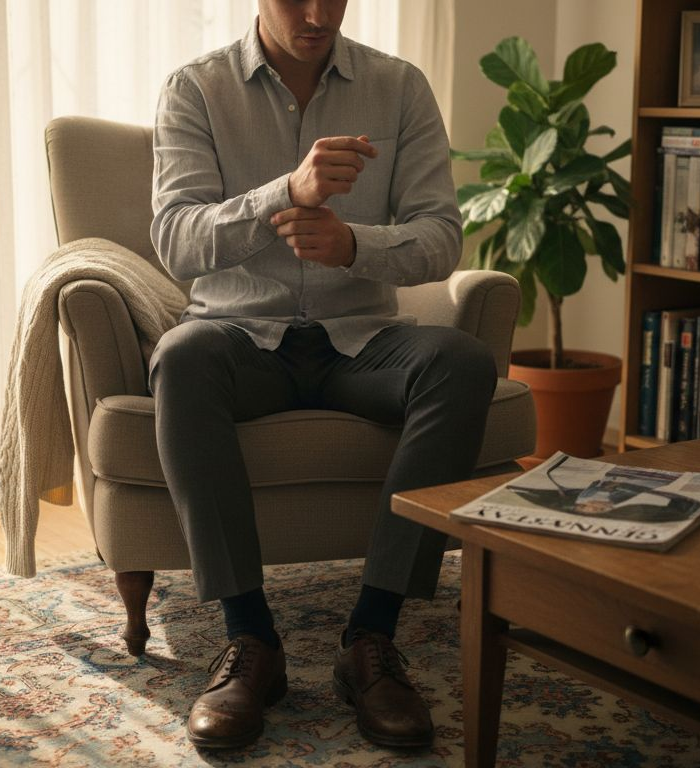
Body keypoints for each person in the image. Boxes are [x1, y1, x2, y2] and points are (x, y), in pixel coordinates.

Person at [149, 0, 496, 752]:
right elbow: (176, 241)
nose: (317, 13)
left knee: (462, 361)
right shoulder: (195, 88)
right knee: (181, 357)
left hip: (361, 342)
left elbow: (442, 238)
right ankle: (251, 640)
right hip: (239, 338)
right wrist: (286, 192)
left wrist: (354, 247)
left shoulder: (399, 87)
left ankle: (371, 638)